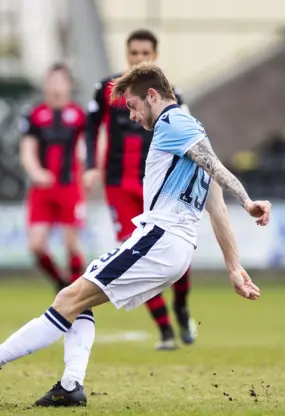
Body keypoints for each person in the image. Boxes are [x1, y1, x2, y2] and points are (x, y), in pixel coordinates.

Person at [0, 62, 271, 408]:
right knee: (77, 301)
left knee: (67, 301)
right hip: (175, 249)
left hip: (159, 239)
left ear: (153, 96)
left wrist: (247, 201)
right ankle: (70, 385)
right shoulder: (194, 131)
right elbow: (215, 207)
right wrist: (233, 267)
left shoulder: (173, 123)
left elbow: (218, 173)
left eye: (132, 105)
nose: (130, 116)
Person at [84, 29, 194, 350]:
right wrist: (91, 165)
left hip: (162, 188)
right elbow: (91, 130)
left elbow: (189, 138)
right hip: (118, 184)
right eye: (134, 53)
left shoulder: (171, 94)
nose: (139, 58)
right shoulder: (107, 89)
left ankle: (182, 306)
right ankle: (165, 330)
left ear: (154, 56)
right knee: (135, 254)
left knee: (175, 256)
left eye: (145, 53)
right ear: (127, 55)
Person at [19, 63, 86, 292]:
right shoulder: (35, 115)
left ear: (68, 85)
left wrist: (89, 173)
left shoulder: (78, 116)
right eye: (52, 80)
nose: (56, 86)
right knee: (36, 245)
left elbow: (87, 148)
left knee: (72, 245)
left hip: (70, 187)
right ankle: (61, 283)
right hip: (42, 189)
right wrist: (37, 172)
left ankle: (77, 297)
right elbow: (27, 149)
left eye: (60, 80)